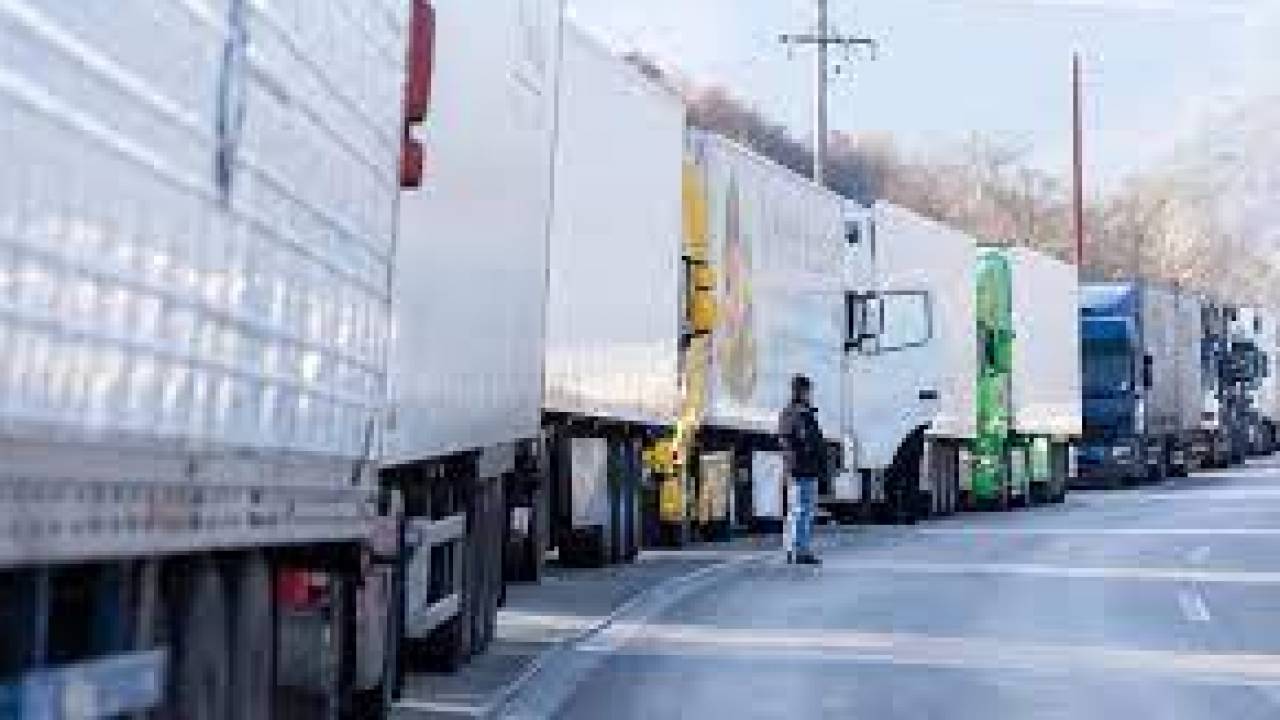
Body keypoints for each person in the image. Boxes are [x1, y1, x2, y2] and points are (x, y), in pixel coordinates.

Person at [777, 374, 826, 565]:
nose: (809, 394)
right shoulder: (802, 414)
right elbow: (809, 439)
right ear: (802, 391)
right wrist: (817, 455)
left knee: (795, 510)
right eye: (808, 390)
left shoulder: (787, 412)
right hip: (805, 467)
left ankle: (791, 549)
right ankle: (801, 550)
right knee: (803, 510)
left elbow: (786, 438)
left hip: (794, 466)